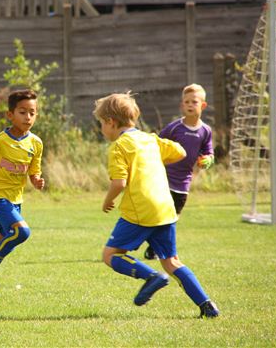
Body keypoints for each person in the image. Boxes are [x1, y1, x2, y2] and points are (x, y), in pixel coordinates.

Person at [94, 92, 219, 318]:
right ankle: (207, 305)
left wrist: (108, 200)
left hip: (140, 211)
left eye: (102, 124)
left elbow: (119, 183)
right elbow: (180, 151)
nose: (102, 129)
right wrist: (154, 160)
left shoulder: (119, 147)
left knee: (110, 255)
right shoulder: (149, 139)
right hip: (165, 208)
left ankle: (151, 277)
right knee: (171, 261)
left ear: (111, 122)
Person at [0, 89, 45, 297]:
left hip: (16, 199)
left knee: (3, 243)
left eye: (32, 112)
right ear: (10, 115)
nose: (28, 117)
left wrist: (37, 180)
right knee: (22, 232)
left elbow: (34, 170)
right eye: (22, 112)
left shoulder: (36, 143)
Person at [144, 83, 214, 260]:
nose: (190, 105)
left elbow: (208, 152)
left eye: (194, 102)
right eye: (186, 102)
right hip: (164, 179)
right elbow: (157, 143)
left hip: (183, 183)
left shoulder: (206, 131)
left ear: (203, 105)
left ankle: (154, 246)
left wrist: (207, 160)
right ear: (182, 105)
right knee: (159, 214)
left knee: (173, 217)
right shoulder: (174, 128)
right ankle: (160, 249)